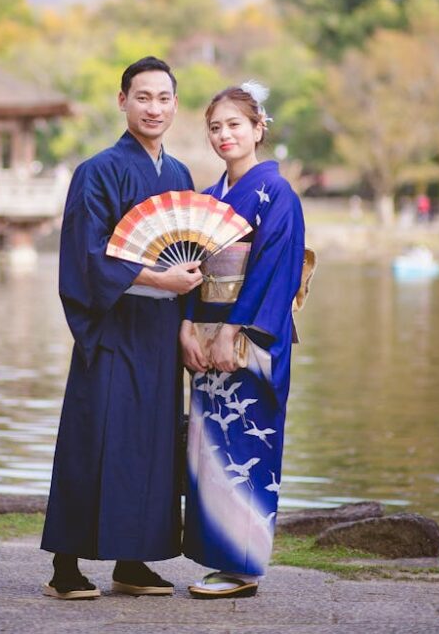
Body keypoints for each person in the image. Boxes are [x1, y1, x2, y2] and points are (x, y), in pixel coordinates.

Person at [41, 56, 204, 600]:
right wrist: (160, 280)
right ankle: (66, 565)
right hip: (112, 326)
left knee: (151, 445)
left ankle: (132, 562)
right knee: (95, 438)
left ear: (175, 106)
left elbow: (190, 250)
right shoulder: (98, 170)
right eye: (142, 97)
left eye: (163, 98)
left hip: (159, 331)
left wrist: (186, 322)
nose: (153, 108)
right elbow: (89, 259)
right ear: (122, 101)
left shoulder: (179, 175)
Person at [180, 82, 306, 599]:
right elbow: (188, 267)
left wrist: (232, 330)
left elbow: (276, 267)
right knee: (210, 448)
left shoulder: (277, 194)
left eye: (235, 124)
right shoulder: (208, 200)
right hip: (206, 338)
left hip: (249, 338)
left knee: (247, 443)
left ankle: (245, 567)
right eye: (215, 127)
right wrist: (186, 326)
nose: (224, 135)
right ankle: (219, 560)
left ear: (258, 129)